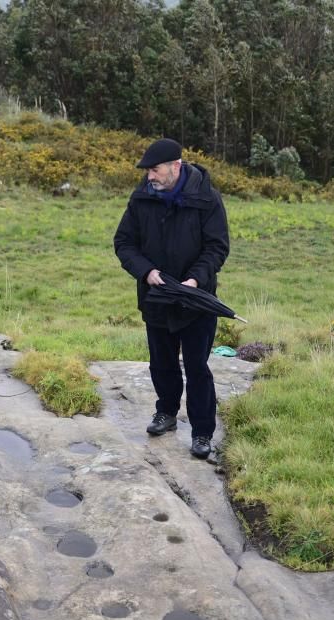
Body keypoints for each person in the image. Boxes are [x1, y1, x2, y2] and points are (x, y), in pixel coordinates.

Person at [113, 138, 230, 460]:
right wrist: (147, 272)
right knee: (161, 363)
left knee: (197, 367)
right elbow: (124, 243)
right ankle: (165, 413)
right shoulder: (141, 200)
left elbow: (217, 247)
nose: (150, 176)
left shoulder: (207, 199)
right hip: (156, 297)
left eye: (155, 170)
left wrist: (195, 280)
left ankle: (203, 431)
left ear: (175, 167)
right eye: (148, 170)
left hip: (197, 300)